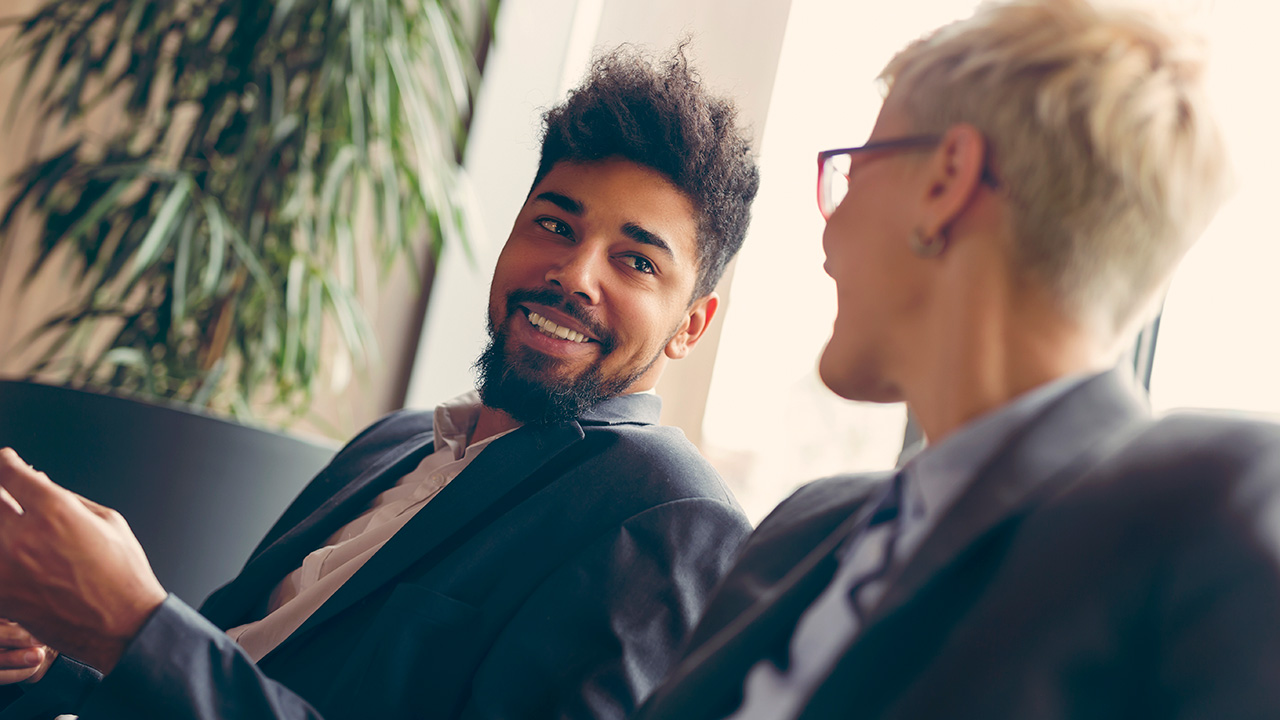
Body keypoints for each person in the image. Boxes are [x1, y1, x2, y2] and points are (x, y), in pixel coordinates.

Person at [0, 46, 760, 720]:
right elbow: (230, 666)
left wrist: (135, 626)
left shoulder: (674, 515)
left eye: (637, 261)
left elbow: (180, 663)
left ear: (691, 324)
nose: (572, 274)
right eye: (555, 225)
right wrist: (50, 658)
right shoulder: (391, 444)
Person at [634, 1, 1280, 718]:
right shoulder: (805, 529)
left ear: (946, 181)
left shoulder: (1214, 506)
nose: (831, 229)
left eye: (852, 172)